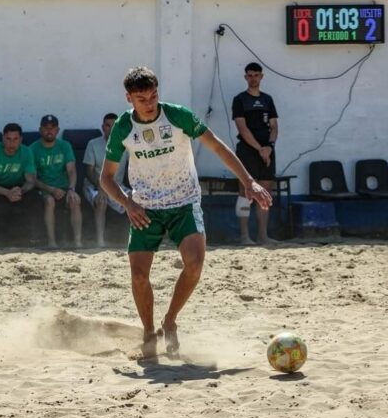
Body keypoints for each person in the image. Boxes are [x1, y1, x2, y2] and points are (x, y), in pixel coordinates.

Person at [100, 66, 272, 358]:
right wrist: (128, 203)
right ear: (129, 98)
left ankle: (170, 321)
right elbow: (106, 178)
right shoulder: (123, 128)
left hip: (184, 201)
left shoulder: (178, 116)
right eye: (142, 98)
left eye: (154, 95)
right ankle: (147, 331)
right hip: (145, 208)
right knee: (139, 276)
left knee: (194, 264)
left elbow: (218, 147)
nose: (150, 103)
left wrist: (249, 182)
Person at [231, 62, 279, 245]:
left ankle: (263, 236)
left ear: (261, 77)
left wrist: (269, 147)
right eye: (250, 75)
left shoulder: (268, 99)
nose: (253, 78)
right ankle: (244, 236)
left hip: (267, 151)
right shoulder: (240, 99)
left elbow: (274, 126)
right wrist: (259, 149)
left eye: (256, 75)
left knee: (265, 191)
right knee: (246, 191)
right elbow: (242, 128)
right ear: (246, 77)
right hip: (247, 151)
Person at [30, 115, 83, 248]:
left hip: (65, 187)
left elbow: (71, 171)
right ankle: (51, 242)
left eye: (52, 128)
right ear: (40, 130)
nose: (49, 131)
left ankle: (78, 241)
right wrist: (51, 190)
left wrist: (71, 189)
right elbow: (32, 179)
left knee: (75, 200)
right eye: (46, 128)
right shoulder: (32, 149)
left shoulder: (65, 146)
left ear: (58, 130)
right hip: (44, 189)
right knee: (50, 201)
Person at [83, 113, 129, 247]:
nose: (111, 129)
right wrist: (101, 186)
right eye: (108, 126)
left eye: (114, 126)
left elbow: (130, 170)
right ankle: (100, 241)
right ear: (103, 127)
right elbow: (89, 172)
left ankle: (133, 239)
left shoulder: (125, 147)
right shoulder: (93, 144)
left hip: (117, 186)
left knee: (135, 199)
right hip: (96, 186)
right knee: (101, 200)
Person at [0, 122, 36, 202]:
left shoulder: (27, 152)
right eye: (8, 139)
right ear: (3, 138)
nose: (12, 143)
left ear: (21, 139)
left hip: (18, 189)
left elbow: (31, 180)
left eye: (15, 139)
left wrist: (20, 191)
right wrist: (7, 193)